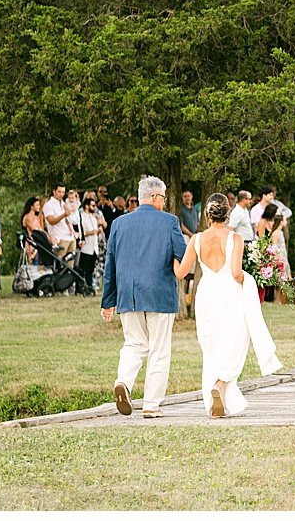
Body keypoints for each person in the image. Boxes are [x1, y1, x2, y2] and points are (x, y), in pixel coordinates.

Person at [171, 191, 280, 418]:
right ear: (227, 214)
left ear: (208, 215)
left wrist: (172, 255)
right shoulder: (235, 238)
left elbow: (181, 273)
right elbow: (236, 273)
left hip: (206, 294)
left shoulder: (196, 239)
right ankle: (220, 384)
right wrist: (252, 279)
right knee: (234, 340)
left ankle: (216, 395)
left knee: (211, 344)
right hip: (229, 293)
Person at [99, 176, 188, 417]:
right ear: (157, 197)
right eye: (164, 196)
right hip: (160, 292)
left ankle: (124, 382)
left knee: (134, 343)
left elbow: (111, 264)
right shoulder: (170, 222)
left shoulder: (119, 223)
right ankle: (151, 405)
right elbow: (183, 256)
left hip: (129, 294)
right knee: (159, 348)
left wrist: (108, 300)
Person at [77, 193, 104, 289]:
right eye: (93, 205)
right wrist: (93, 232)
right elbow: (81, 232)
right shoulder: (81, 216)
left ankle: (89, 286)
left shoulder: (94, 217)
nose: (95, 207)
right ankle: (80, 287)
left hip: (94, 247)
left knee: (90, 269)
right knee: (82, 268)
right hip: (86, 247)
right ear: (87, 206)